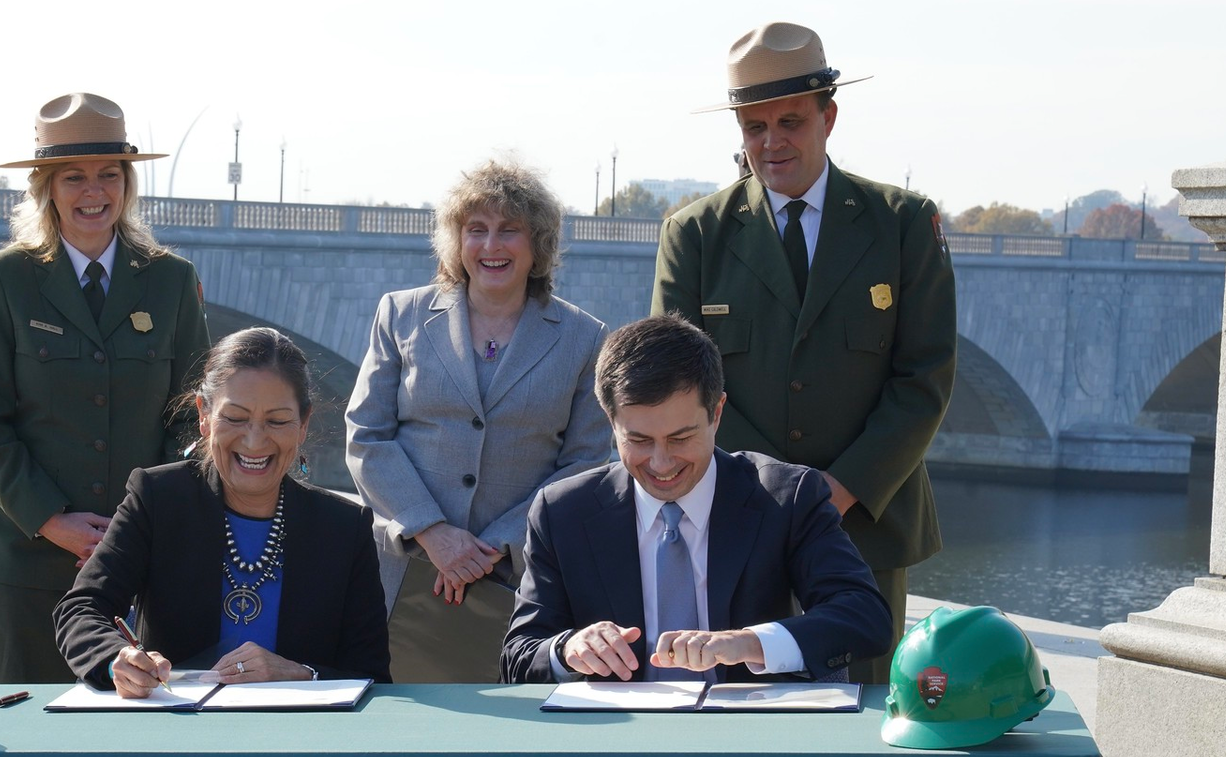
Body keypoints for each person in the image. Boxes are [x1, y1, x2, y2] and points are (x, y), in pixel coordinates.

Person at [650, 22, 956, 683]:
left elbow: (924, 379)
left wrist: (836, 491)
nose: (771, 142)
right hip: (735, 521)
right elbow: (674, 386)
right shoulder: (695, 234)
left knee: (869, 723)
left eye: (789, 121)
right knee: (737, 722)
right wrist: (771, 496)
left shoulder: (901, 224)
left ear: (830, 117)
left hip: (865, 525)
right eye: (753, 127)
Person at [0, 92, 210, 684]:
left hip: (140, 564)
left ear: (127, 184)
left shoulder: (171, 282)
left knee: (132, 740)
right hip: (24, 561)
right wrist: (53, 520)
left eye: (108, 175)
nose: (93, 192)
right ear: (45, 187)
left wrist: (143, 522)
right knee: (21, 737)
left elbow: (192, 417)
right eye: (73, 176)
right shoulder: (3, 280)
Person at [502, 316, 892, 685]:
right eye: (638, 440)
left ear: (717, 413)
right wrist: (567, 648)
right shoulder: (563, 511)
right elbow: (519, 656)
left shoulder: (786, 497)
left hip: (748, 737)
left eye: (680, 438)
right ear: (610, 419)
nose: (661, 463)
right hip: (619, 740)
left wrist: (750, 643)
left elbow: (864, 617)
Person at [58, 328, 391, 697]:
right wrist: (115, 658)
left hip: (298, 741)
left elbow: (371, 673)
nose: (254, 440)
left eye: (277, 421)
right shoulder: (156, 498)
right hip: (177, 732)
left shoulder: (345, 527)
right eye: (235, 417)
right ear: (203, 415)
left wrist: (302, 674)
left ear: (304, 425)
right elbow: (82, 608)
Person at [346, 160, 611, 614]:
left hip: (520, 576)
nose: (491, 245)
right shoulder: (400, 314)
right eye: (476, 229)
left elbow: (585, 464)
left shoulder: (585, 338)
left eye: (509, 230)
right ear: (456, 240)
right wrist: (432, 531)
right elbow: (367, 436)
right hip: (401, 571)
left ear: (537, 243)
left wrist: (495, 545)